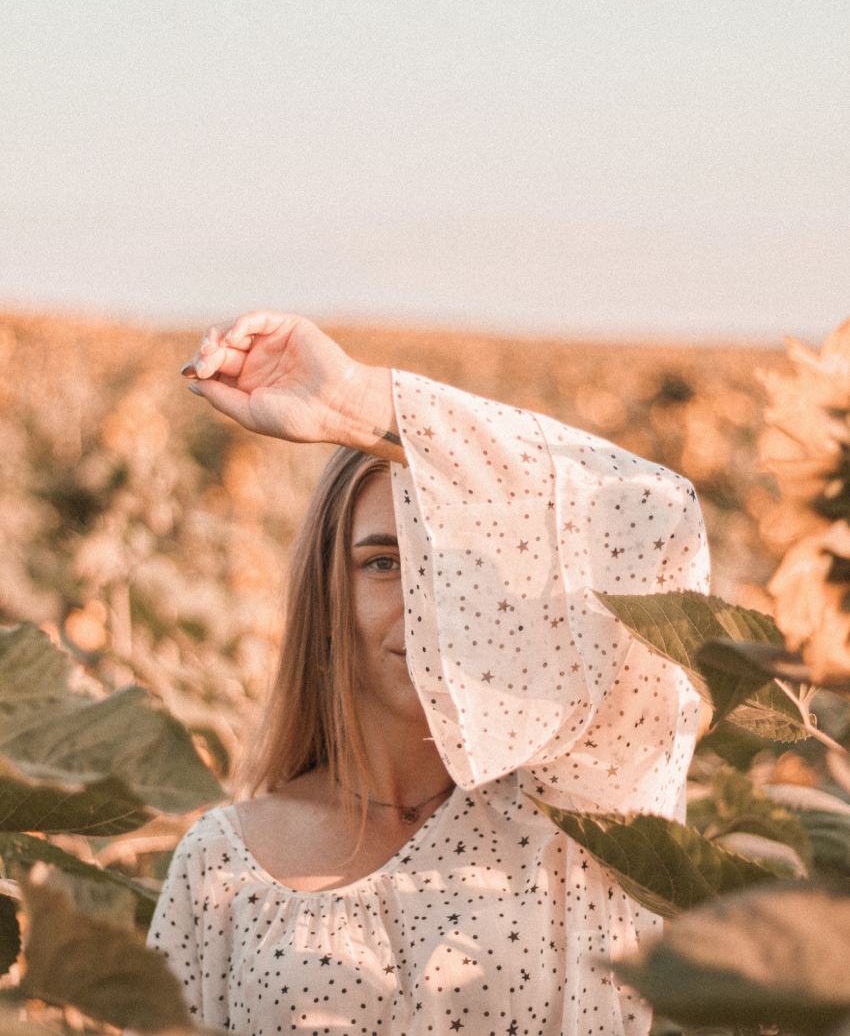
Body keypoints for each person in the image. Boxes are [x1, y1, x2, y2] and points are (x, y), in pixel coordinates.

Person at [148, 310, 710, 1036]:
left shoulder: (583, 818)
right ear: (331, 589)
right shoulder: (224, 862)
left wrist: (361, 403)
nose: (425, 603)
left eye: (459, 566)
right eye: (384, 563)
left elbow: (656, 513)